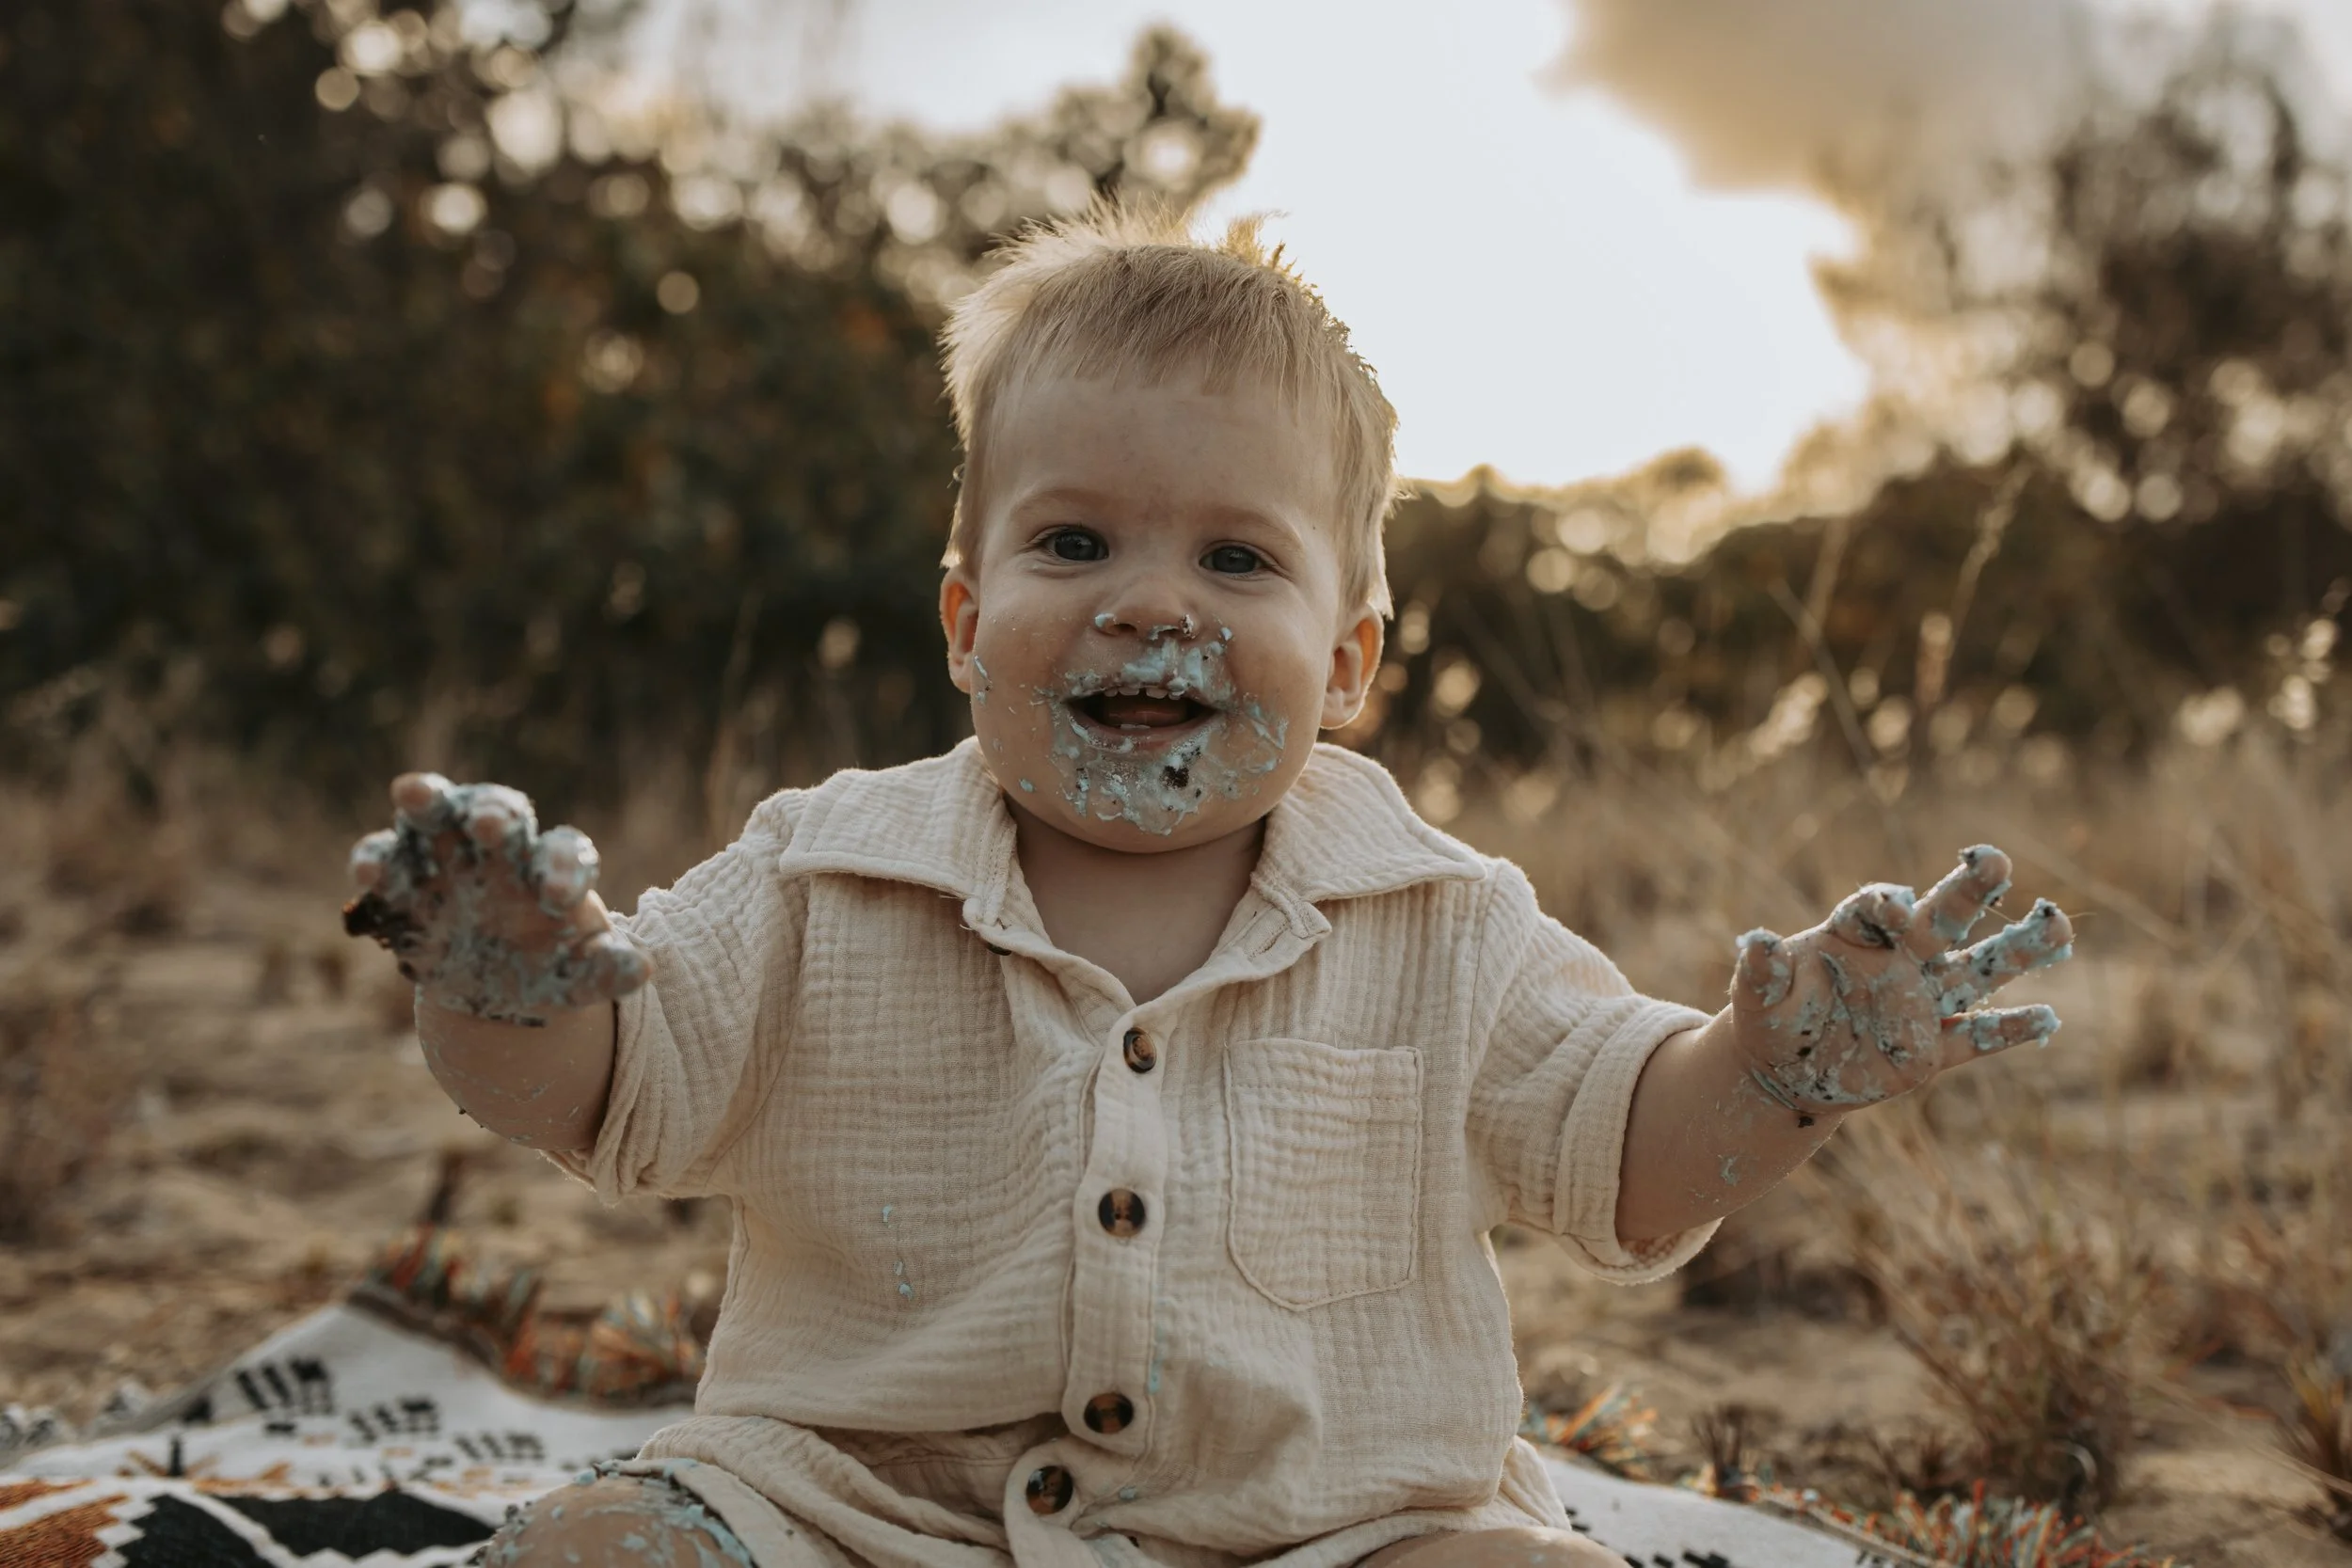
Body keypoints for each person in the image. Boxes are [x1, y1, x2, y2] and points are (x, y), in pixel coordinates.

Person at [344, 206, 2074, 1568]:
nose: (1153, 602)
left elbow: (1625, 1157)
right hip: (855, 1521)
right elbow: (603, 1092)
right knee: (597, 1547)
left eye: (1236, 557)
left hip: (1331, 1530)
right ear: (966, 620)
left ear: (1349, 659)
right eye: (1073, 543)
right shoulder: (820, 872)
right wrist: (501, 987)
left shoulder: (1445, 920)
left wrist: (1768, 1073)